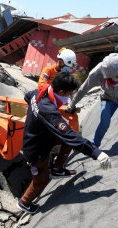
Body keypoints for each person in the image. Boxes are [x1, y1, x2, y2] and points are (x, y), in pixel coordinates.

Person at [17, 72, 111, 214]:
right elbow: (68, 134)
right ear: (61, 92)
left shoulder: (39, 93)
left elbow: (27, 96)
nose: (68, 98)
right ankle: (24, 203)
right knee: (41, 179)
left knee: (66, 140)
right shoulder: (47, 109)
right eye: (69, 94)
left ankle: (57, 169)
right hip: (36, 150)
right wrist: (96, 153)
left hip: (40, 137)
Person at [65, 53, 118, 148]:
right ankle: (95, 145)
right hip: (108, 97)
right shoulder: (96, 73)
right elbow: (83, 89)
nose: (114, 80)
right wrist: (71, 104)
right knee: (105, 121)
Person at [38, 48, 79, 177]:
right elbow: (41, 85)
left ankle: (75, 139)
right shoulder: (48, 70)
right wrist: (54, 91)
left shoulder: (67, 74)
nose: (68, 69)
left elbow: (71, 89)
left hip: (61, 104)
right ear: (60, 61)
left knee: (74, 117)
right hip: (48, 103)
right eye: (66, 65)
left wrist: (72, 104)